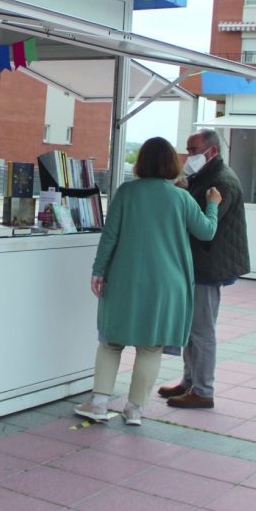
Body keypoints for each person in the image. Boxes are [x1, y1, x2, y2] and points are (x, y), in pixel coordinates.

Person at [75, 137, 221, 425]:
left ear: (141, 163)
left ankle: (100, 402)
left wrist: (98, 270)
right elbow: (207, 232)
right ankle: (134, 409)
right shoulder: (181, 198)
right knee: (150, 346)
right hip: (168, 283)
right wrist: (213, 204)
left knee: (111, 341)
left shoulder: (127, 192)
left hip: (125, 279)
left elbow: (110, 236)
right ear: (172, 163)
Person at [160, 128, 249, 410]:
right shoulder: (206, 176)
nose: (189, 156)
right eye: (187, 150)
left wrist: (185, 197)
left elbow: (203, 225)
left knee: (201, 329)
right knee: (192, 328)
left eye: (194, 150)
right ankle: (190, 382)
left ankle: (203, 390)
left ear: (212, 151)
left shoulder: (221, 182)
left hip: (209, 265)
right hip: (200, 263)